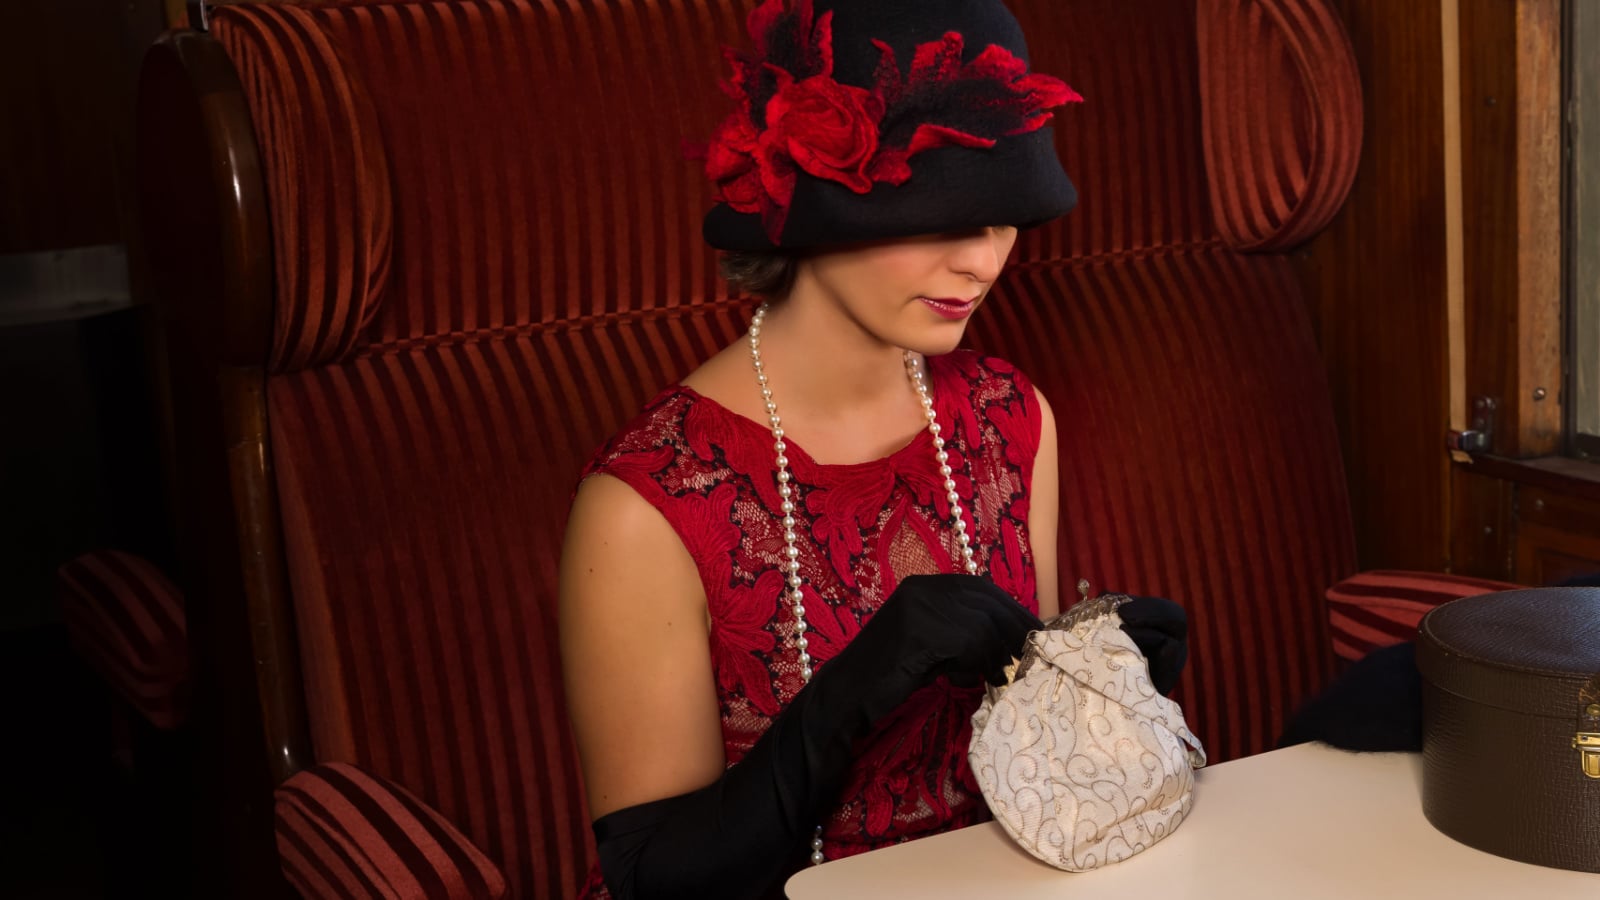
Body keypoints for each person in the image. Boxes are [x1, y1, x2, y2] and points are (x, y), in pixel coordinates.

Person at [559, 2, 1183, 897]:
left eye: (1004, 218)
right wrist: (849, 699)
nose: (984, 262)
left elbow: (1036, 774)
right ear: (815, 206)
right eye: (941, 219)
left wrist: (1116, 687)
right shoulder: (647, 504)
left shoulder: (1010, 416)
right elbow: (653, 878)